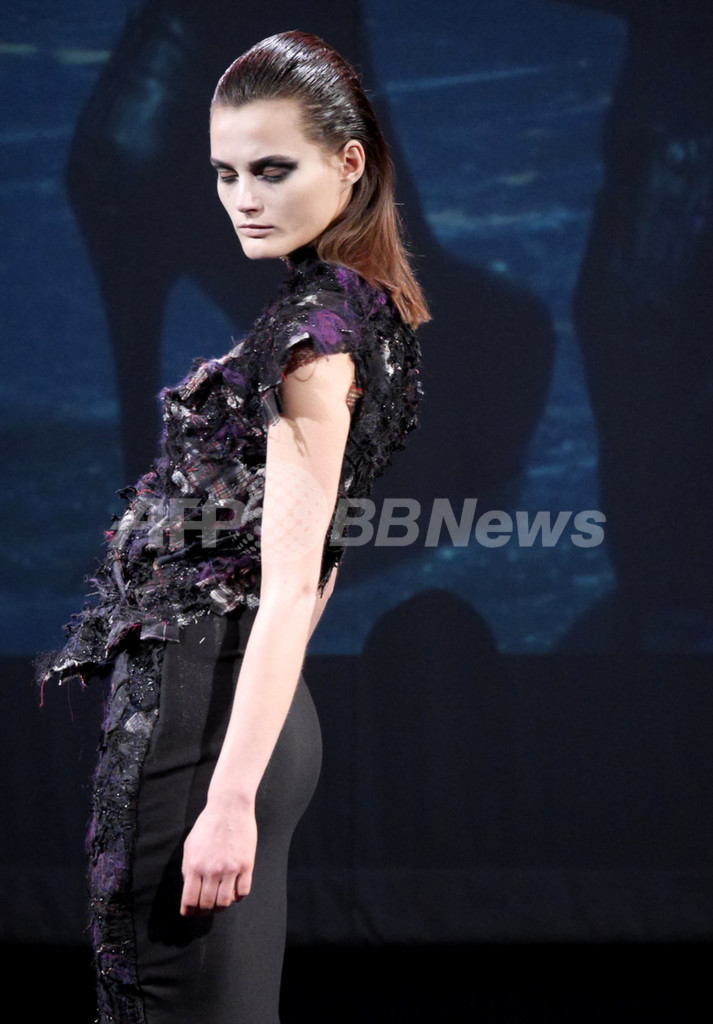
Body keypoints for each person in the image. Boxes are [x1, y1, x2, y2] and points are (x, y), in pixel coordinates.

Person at [40, 30, 426, 1024]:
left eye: (271, 169)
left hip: (206, 732)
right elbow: (320, 563)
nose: (242, 197)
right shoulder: (359, 314)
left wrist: (228, 798)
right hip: (244, 713)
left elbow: (296, 580)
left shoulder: (312, 338)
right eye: (224, 173)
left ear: (349, 162)